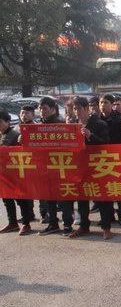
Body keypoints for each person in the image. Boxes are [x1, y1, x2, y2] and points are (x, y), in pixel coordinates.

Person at [67, 97, 115, 240]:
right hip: (80, 166)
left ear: (87, 108)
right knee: (82, 198)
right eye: (74, 109)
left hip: (97, 166)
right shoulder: (72, 125)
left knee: (102, 198)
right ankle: (84, 226)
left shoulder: (100, 123)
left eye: (79, 109)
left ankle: (106, 228)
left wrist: (90, 135)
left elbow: (106, 144)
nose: (77, 112)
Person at [37, 97, 73, 236]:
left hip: (61, 166)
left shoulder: (60, 124)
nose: (41, 111)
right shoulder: (38, 126)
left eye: (44, 108)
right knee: (49, 197)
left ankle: (68, 225)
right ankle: (53, 223)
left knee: (63, 198)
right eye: (40, 109)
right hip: (46, 168)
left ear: (53, 109)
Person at [0, 110, 35, 236]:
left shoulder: (14, 135)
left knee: (21, 200)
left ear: (7, 122)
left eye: (0, 122)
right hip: (4, 175)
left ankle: (26, 224)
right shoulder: (1, 135)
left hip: (16, 173)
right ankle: (12, 222)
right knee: (7, 200)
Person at [99, 94, 121, 224]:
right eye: (101, 103)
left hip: (117, 158)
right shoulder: (95, 120)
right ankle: (108, 216)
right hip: (100, 159)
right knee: (104, 189)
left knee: (119, 188)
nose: (102, 105)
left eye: (105, 102)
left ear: (112, 104)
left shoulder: (120, 120)